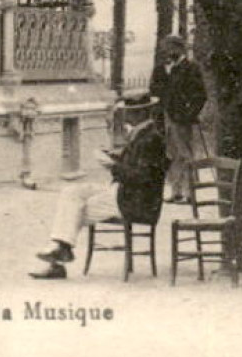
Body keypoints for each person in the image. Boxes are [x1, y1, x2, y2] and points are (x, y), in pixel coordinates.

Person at [29, 90, 167, 279]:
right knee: (72, 192)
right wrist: (115, 156)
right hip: (124, 192)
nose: (126, 115)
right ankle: (61, 250)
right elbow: (136, 167)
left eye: (130, 111)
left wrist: (114, 166)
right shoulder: (142, 135)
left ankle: (58, 260)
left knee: (74, 210)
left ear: (141, 113)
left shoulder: (151, 139)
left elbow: (143, 178)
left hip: (136, 201)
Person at [148, 34, 208, 203]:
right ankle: (176, 192)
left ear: (179, 49)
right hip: (166, 117)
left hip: (182, 119)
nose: (167, 52)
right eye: (165, 49)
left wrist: (190, 114)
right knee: (171, 154)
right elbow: (154, 90)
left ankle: (190, 192)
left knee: (185, 154)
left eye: (170, 48)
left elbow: (201, 95)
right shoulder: (163, 69)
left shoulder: (191, 68)